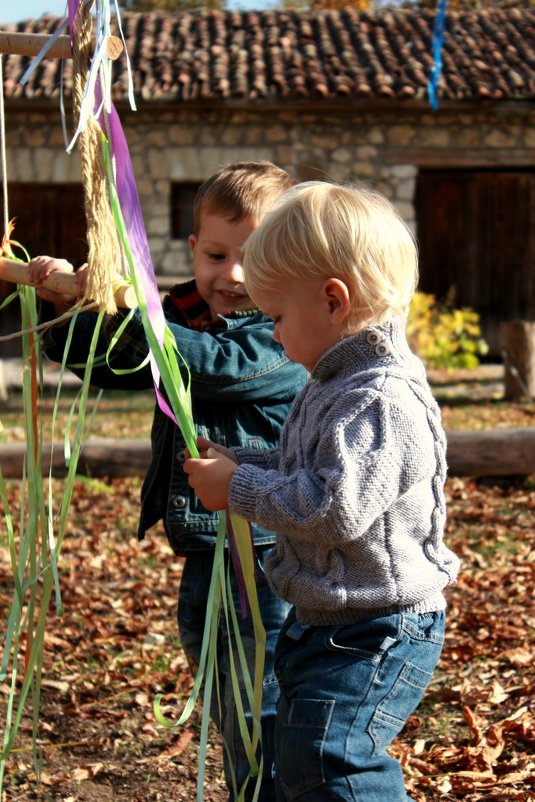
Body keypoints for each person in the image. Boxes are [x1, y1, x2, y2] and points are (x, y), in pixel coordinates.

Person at [28, 161, 307, 802]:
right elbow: (108, 361)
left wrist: (134, 310)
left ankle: (276, 792)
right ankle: (253, 788)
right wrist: (67, 305)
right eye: (215, 254)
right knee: (227, 696)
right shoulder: (179, 313)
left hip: (265, 549)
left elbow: (211, 365)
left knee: (260, 694)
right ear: (193, 249)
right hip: (209, 547)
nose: (232, 275)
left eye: (253, 258)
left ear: (288, 263)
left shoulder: (280, 336)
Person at [183, 180, 461, 802]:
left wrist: (241, 489)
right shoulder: (332, 381)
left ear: (334, 301)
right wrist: (243, 461)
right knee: (300, 760)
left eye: (277, 317)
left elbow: (333, 508)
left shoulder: (378, 397)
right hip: (328, 618)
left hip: (378, 627)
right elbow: (299, 464)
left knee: (332, 758)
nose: (274, 336)